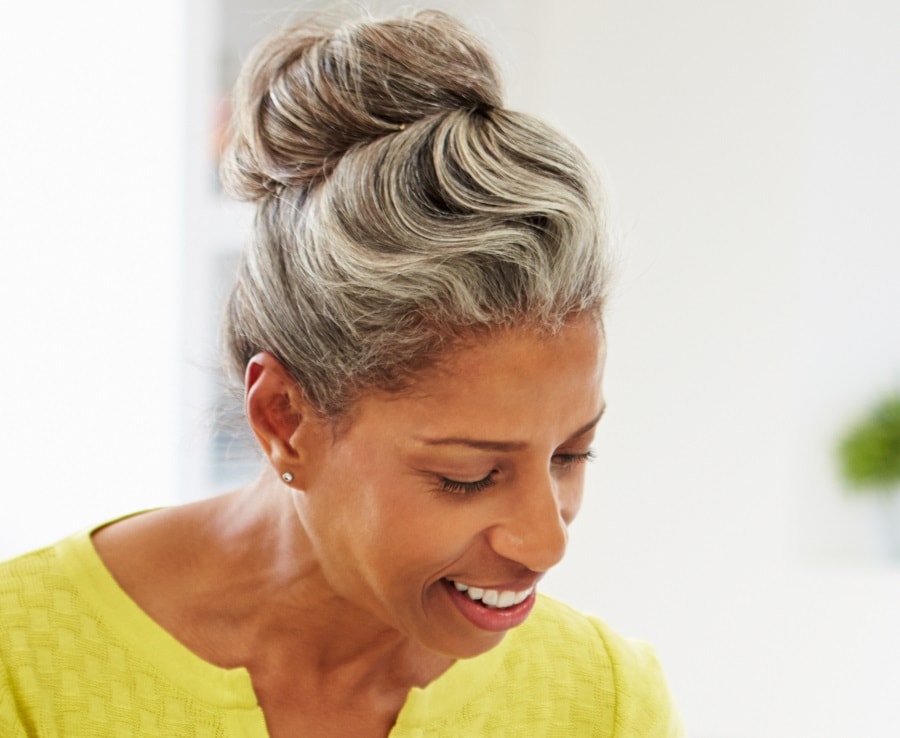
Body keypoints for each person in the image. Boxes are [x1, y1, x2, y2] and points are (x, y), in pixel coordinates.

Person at [0, 9, 684, 737]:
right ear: (284, 419)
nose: (545, 544)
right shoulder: (24, 670)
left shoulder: (599, 700)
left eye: (570, 455)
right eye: (468, 475)